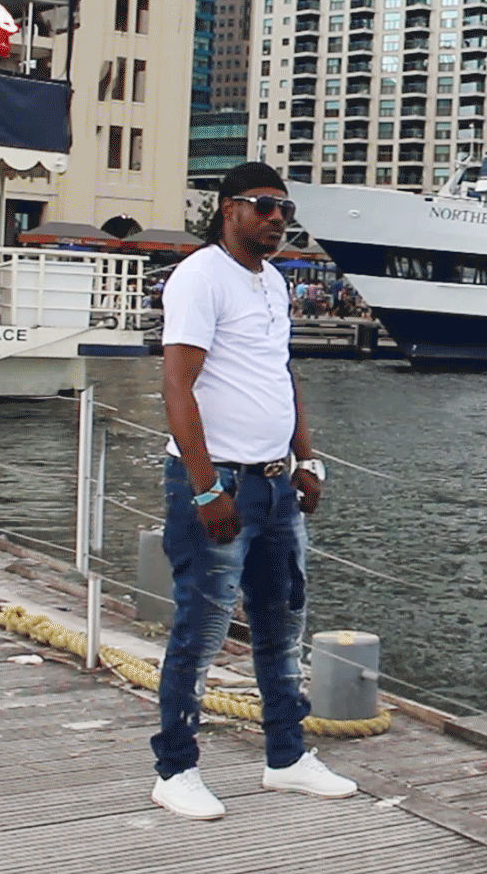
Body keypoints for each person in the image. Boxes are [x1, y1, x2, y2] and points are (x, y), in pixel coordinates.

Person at [148, 161, 357, 820]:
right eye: (263, 205)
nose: (276, 218)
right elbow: (178, 386)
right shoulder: (200, 277)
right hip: (219, 483)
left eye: (284, 209)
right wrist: (206, 491)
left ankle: (286, 758)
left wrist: (306, 459)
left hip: (273, 486)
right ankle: (175, 768)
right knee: (201, 628)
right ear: (227, 208)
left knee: (280, 627)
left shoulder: (274, 282)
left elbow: (280, 373)